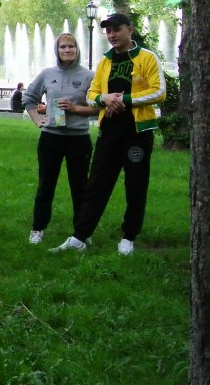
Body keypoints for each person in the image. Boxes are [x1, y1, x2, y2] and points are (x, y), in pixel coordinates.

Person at [53, 14, 167, 255]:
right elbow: (91, 93)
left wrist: (124, 100)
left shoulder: (147, 57)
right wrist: (104, 98)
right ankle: (80, 237)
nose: (112, 35)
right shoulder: (105, 61)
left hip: (137, 132)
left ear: (130, 30)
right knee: (96, 183)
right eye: (108, 31)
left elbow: (159, 92)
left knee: (135, 184)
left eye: (117, 30)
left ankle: (129, 236)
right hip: (109, 131)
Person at [21, 35, 93, 245]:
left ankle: (82, 233)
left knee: (80, 187)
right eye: (63, 46)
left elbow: (98, 107)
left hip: (79, 138)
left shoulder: (88, 76)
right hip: (51, 137)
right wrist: (37, 120)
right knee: (46, 184)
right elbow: (29, 98)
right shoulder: (47, 74)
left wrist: (75, 109)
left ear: (77, 49)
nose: (67, 50)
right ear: (57, 50)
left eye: (71, 46)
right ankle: (38, 228)